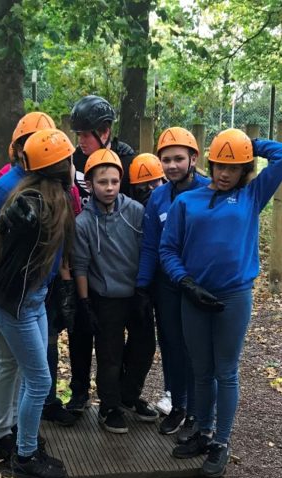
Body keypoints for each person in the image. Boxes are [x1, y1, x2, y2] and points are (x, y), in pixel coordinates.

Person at [159, 128, 282, 478]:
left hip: (233, 296)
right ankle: (203, 432)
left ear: (245, 170)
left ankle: (221, 440)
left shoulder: (252, 195)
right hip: (194, 296)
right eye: (219, 164)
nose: (224, 173)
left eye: (233, 167)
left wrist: (251, 143)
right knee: (201, 370)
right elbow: (167, 249)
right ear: (210, 163)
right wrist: (185, 282)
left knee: (226, 370)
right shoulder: (186, 202)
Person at [0, 112, 76, 463]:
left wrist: (60, 283)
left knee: (23, 363)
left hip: (34, 286)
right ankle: (1, 433)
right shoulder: (5, 189)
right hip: (6, 288)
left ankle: (16, 428)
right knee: (7, 361)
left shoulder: (48, 188)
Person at [71, 148, 158, 433]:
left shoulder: (135, 212)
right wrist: (84, 303)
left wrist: (144, 288)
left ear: (121, 181)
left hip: (136, 292)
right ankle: (109, 406)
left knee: (144, 347)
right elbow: (81, 266)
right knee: (110, 355)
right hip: (105, 297)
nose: (109, 188)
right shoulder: (83, 223)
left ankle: (128, 397)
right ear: (91, 185)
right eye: (102, 182)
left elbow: (148, 249)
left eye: (114, 181)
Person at [136, 127, 212, 441]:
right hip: (166, 284)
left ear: (193, 158)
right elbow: (151, 244)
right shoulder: (158, 196)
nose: (172, 165)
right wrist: (142, 285)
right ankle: (178, 405)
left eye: (178, 159)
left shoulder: (210, 191)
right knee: (171, 346)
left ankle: (197, 412)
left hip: (198, 283)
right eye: (166, 160)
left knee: (197, 349)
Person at [66, 96, 135, 415]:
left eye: (85, 134)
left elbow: (134, 208)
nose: (79, 141)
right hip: (79, 255)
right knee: (80, 330)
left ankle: (120, 396)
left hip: (115, 264)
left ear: (105, 132)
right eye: (77, 134)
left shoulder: (126, 160)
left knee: (116, 343)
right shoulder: (73, 160)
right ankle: (79, 391)